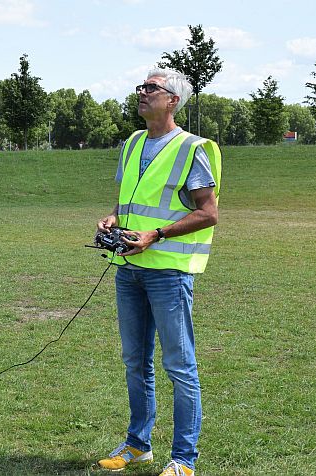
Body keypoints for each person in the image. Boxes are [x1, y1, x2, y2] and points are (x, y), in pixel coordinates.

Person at [94, 68, 222, 476]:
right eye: (141, 87)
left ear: (174, 101)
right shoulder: (132, 143)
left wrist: (157, 234)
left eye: (152, 88)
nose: (142, 93)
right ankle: (138, 444)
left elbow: (209, 212)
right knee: (135, 361)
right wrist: (112, 219)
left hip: (168, 273)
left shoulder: (193, 148)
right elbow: (126, 200)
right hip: (128, 269)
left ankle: (183, 459)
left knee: (179, 365)